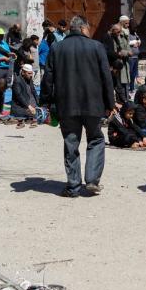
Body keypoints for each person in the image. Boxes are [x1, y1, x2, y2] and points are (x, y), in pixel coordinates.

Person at [45, 15, 115, 198]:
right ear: (84, 28)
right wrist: (110, 103)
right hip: (93, 104)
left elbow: (48, 77)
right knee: (96, 139)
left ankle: (73, 186)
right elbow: (106, 78)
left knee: (71, 143)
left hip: (66, 105)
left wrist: (45, 102)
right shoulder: (97, 47)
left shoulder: (57, 48)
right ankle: (91, 181)